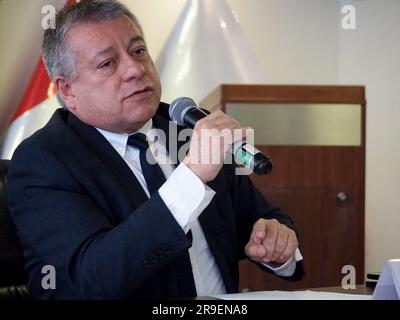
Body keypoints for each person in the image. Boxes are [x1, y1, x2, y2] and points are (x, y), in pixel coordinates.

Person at [7, 0, 303, 300]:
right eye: (107, 64)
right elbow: (91, 281)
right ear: (68, 90)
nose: (135, 69)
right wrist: (192, 177)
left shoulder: (189, 130)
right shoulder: (44, 160)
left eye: (138, 51)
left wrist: (278, 248)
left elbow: (265, 221)